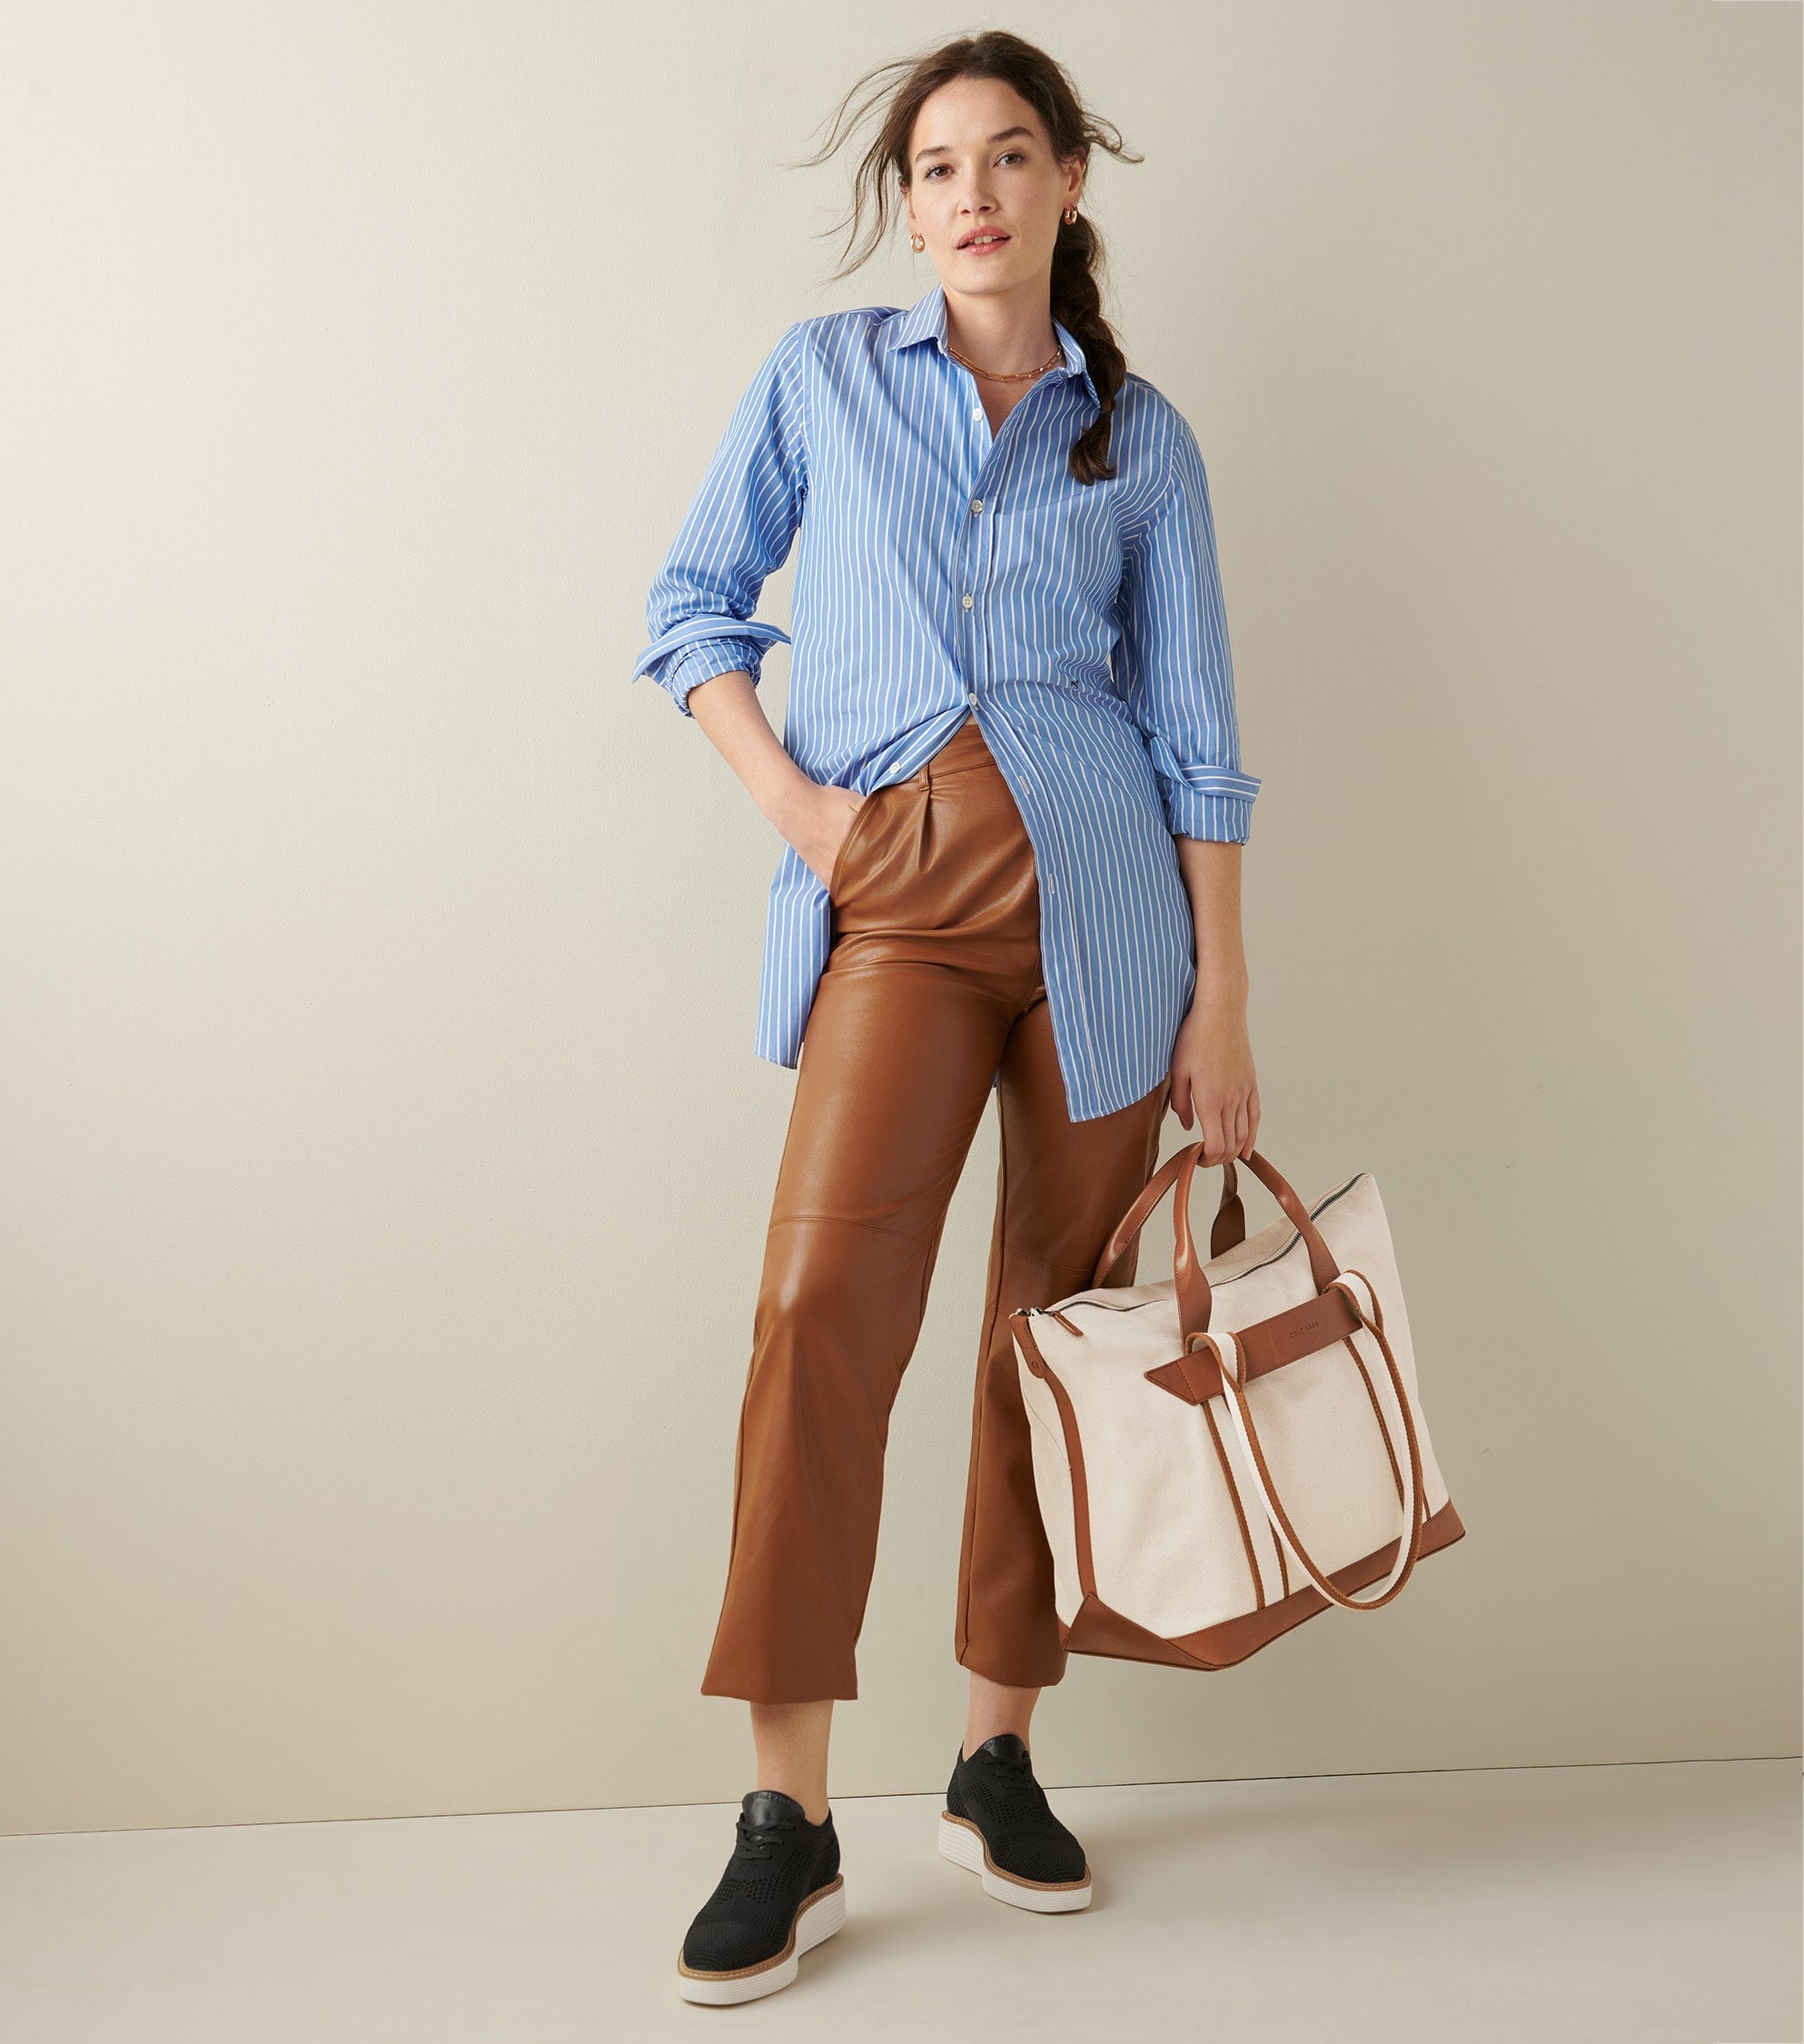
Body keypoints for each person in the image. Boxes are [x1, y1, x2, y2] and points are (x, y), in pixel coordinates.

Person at [630, 30, 1262, 2006]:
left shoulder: (1140, 436)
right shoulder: (823, 378)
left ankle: (996, 1753)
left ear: (1067, 180)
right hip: (895, 901)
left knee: (1047, 1338)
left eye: (1005, 156)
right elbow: (690, 606)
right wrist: (808, 818)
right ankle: (787, 1811)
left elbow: (1199, 738)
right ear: (906, 208)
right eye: (933, 166)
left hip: (1107, 925)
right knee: (818, 1307)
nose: (970, 193)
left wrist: (1223, 999)